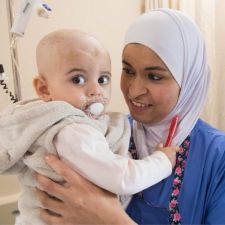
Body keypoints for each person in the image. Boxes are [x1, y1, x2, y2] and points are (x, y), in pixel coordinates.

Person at [35, 8, 225, 225]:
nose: (134, 91)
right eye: (128, 71)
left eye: (154, 76)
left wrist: (110, 219)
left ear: (189, 81)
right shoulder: (102, 134)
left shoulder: (218, 158)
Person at [0, 29, 178, 225]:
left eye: (103, 79)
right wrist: (163, 161)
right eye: (78, 79)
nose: (96, 90)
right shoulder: (72, 129)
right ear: (44, 89)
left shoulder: (51, 121)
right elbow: (123, 177)